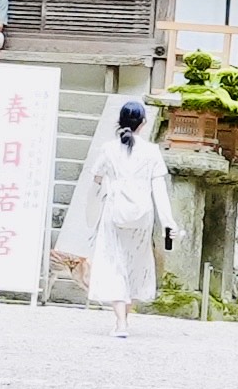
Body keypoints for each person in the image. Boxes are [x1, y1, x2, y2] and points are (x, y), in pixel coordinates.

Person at [64, 88, 169, 315]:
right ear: (143, 123)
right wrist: (168, 222)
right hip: (142, 215)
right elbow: (159, 189)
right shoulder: (152, 152)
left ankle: (120, 320)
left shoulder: (109, 149)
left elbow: (97, 179)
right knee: (135, 263)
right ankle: (127, 315)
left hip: (114, 212)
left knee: (114, 263)